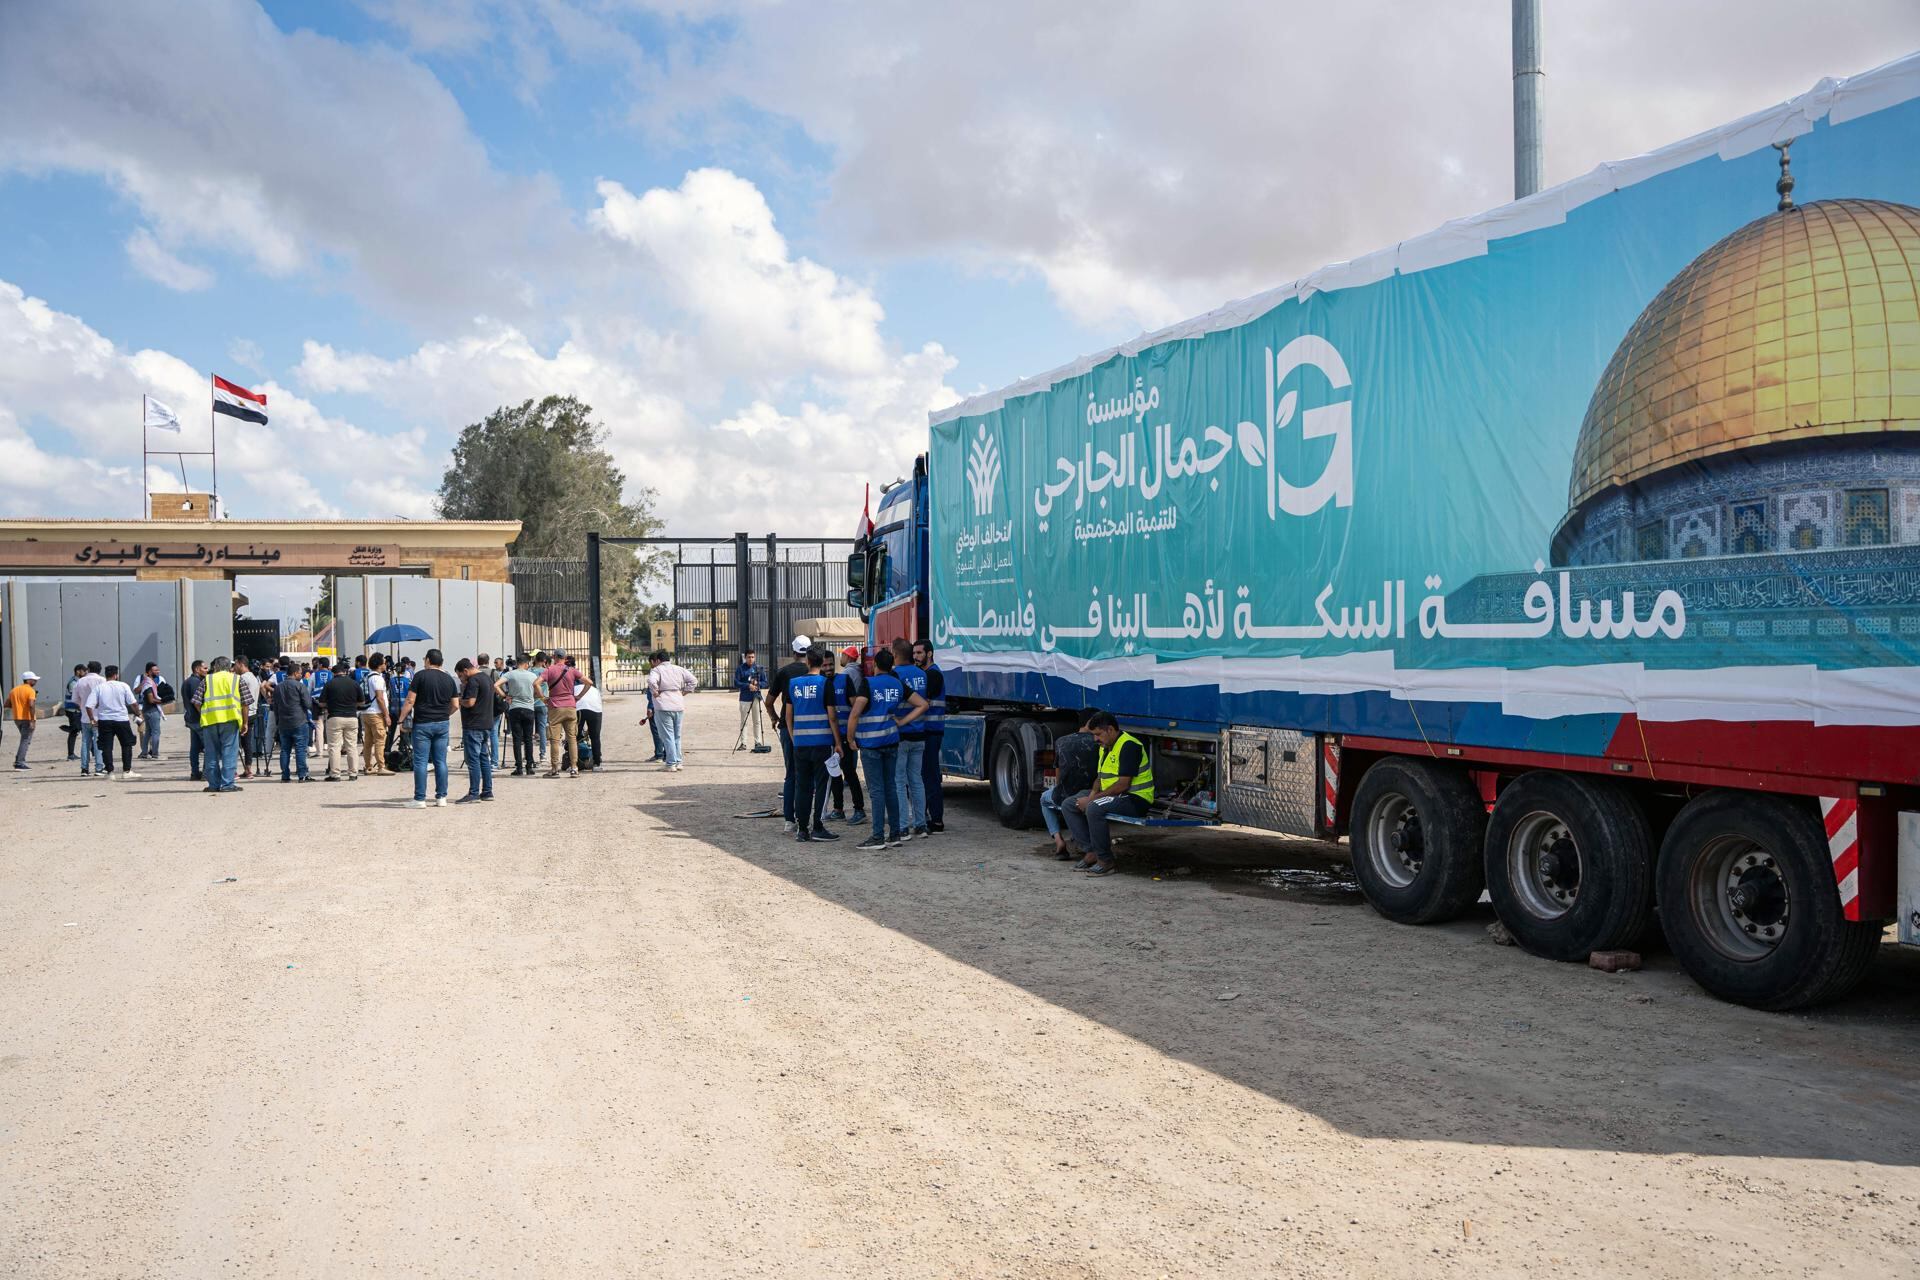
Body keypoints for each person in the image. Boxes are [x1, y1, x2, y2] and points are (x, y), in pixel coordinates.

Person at [1060, 712, 1155, 876]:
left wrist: (1092, 800)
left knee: (1094, 808)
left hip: (1135, 799)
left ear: (1110, 730)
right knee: (1068, 804)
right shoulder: (1106, 746)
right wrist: (1091, 795)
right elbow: (1100, 778)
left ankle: (1106, 861)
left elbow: (1123, 785)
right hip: (1115, 795)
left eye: (1098, 734)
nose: (1095, 739)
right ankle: (1091, 852)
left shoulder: (1129, 746)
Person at [846, 648, 909, 850]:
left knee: (877, 790)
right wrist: (902, 721)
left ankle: (877, 836)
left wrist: (849, 738)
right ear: (891, 665)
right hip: (891, 741)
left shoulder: (869, 684)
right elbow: (921, 704)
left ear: (875, 665)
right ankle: (896, 833)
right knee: (891, 787)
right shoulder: (897, 684)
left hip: (871, 745)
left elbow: (855, 713)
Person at [778, 648, 838, 843]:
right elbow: (832, 716)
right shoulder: (825, 684)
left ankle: (802, 829)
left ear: (808, 662)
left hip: (801, 744)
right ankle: (818, 827)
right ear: (822, 663)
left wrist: (795, 739)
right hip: (822, 742)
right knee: (821, 785)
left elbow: (788, 716)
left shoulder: (793, 684)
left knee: (802, 786)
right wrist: (838, 742)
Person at [397, 648, 458, 808]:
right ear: (441, 662)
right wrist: (445, 714)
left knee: (421, 761)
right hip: (442, 723)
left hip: (423, 723)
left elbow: (410, 700)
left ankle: (419, 798)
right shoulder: (449, 679)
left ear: (428, 660)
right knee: (440, 761)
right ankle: (441, 797)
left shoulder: (420, 676)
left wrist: (401, 719)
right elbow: (455, 705)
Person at [766, 634, 812, 831]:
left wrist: (775, 718)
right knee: (810, 775)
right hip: (813, 728)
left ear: (794, 652)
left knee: (791, 773)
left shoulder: (784, 673)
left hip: (787, 726)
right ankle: (809, 818)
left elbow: (768, 701)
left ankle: (789, 820)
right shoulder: (814, 672)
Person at [1041, 708, 1101, 859]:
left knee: (1044, 799)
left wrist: (1059, 789)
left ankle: (1058, 840)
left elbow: (1058, 775)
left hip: (1066, 793)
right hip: (1092, 792)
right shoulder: (1100, 742)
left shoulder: (1061, 741)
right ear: (1090, 723)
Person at [891, 639, 932, 838]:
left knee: (899, 781)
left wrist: (901, 721)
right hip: (920, 733)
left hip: (901, 734)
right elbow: (925, 703)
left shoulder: (895, 675)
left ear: (896, 655)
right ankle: (921, 824)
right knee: (917, 780)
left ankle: (902, 825)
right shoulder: (922, 675)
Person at [822, 646, 866, 826]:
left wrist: (851, 735)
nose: (829, 668)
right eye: (824, 665)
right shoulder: (819, 683)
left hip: (845, 737)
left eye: (831, 664)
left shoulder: (845, 680)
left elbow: (855, 706)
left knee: (849, 772)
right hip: (827, 737)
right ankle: (838, 809)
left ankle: (859, 809)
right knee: (833, 774)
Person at [193, 656, 246, 792]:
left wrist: (204, 712)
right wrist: (245, 722)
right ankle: (227, 784)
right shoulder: (236, 679)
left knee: (211, 753)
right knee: (229, 752)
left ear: (215, 667)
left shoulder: (207, 679)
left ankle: (213, 784)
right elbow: (246, 702)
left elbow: (196, 701)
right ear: (230, 667)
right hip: (230, 720)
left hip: (210, 721)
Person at [912, 638, 947, 832]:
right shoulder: (926, 674)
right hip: (927, 731)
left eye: (919, 653)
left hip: (931, 732)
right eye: (914, 653)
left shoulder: (933, 675)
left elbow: (922, 701)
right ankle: (926, 815)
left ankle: (936, 820)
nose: (916, 657)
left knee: (930, 776)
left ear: (929, 653)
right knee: (924, 775)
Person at [87, 664, 143, 779]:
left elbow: (89, 706)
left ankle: (110, 772)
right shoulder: (123, 686)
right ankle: (126, 771)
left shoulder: (99, 687)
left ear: (106, 675)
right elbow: (133, 703)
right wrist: (138, 714)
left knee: (106, 746)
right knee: (126, 745)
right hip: (121, 719)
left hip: (105, 720)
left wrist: (92, 719)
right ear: (116, 675)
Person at [645, 650, 696, 772]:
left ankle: (671, 763)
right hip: (678, 704)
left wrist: (655, 692)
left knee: (667, 736)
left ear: (658, 660)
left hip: (663, 705)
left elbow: (651, 681)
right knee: (677, 735)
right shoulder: (679, 669)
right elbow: (694, 680)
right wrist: (685, 692)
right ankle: (678, 762)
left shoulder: (657, 670)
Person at [455, 657, 497, 802]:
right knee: (484, 758)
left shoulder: (473, 680)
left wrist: (459, 700)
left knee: (473, 760)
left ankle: (473, 793)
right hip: (486, 724)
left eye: (460, 675)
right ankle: (487, 791)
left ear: (465, 671)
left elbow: (471, 702)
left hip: (473, 725)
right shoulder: (487, 678)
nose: (461, 679)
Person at [539, 650, 584, 778]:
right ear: (565, 658)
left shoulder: (549, 670)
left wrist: (543, 698)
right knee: (572, 738)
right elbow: (589, 682)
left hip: (555, 707)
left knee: (555, 740)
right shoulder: (572, 670)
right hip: (570, 706)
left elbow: (536, 683)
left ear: (554, 657)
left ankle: (554, 769)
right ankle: (574, 768)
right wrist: (579, 696)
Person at [320, 653, 363, 780]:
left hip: (335, 717)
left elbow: (322, 703)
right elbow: (361, 702)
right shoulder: (354, 684)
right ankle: (353, 773)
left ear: (333, 673)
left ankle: (335, 774)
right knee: (352, 746)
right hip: (351, 717)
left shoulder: (329, 684)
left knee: (334, 747)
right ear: (345, 672)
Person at [271, 663, 315, 781]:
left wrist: (278, 721)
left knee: (285, 749)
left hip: (283, 722)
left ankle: (285, 775)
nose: (301, 675)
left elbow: (275, 706)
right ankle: (302, 774)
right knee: (300, 749)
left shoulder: (278, 687)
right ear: (295, 673)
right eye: (300, 673)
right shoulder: (299, 686)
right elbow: (307, 704)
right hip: (299, 721)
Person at [499, 654, 539, 776]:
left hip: (515, 708)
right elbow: (537, 690)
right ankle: (529, 766)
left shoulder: (510, 674)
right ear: (527, 664)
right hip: (528, 709)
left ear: (517, 663)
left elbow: (496, 685)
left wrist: (505, 696)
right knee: (528, 739)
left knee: (517, 739)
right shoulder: (532, 675)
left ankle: (519, 767)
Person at [359, 654, 391, 776]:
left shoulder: (367, 676)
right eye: (384, 662)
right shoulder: (378, 678)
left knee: (368, 741)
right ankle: (381, 766)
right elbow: (380, 698)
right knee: (380, 740)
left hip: (366, 712)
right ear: (379, 665)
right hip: (376, 713)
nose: (385, 664)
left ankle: (368, 766)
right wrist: (386, 715)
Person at [733, 648, 770, 751]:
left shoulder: (759, 668)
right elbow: (736, 683)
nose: (751, 659)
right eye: (749, 657)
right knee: (744, 721)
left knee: (757, 721)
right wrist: (747, 686)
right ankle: (743, 743)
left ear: (755, 657)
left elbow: (765, 682)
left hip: (756, 698)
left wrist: (758, 685)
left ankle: (757, 742)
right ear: (745, 658)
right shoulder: (740, 669)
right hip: (744, 698)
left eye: (752, 657)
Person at [235, 657, 264, 778]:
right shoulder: (254, 677)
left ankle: (233, 770)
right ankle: (248, 769)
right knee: (247, 742)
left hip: (243, 713)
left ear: (241, 664)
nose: (234, 667)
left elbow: (241, 699)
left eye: (236, 664)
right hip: (253, 712)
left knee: (235, 743)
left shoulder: (242, 679)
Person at [179, 659, 208, 781]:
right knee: (208, 746)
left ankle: (194, 772)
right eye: (204, 668)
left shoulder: (186, 682)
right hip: (198, 719)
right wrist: (203, 715)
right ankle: (206, 773)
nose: (207, 670)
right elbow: (197, 702)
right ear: (197, 669)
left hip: (191, 719)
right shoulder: (196, 682)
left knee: (195, 748)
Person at [136, 661, 166, 760]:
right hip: (152, 710)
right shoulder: (148, 683)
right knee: (156, 732)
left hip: (147, 710)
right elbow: (151, 699)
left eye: (158, 669)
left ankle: (144, 753)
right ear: (149, 672)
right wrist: (162, 701)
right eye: (155, 670)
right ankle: (155, 753)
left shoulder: (148, 681)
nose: (158, 671)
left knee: (148, 732)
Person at [8, 670, 37, 770]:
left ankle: (18, 759)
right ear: (28, 680)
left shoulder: (14, 690)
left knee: (25, 740)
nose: (35, 682)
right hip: (27, 718)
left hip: (17, 718)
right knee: (25, 740)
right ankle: (19, 763)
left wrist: (17, 705)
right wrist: (32, 720)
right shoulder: (30, 691)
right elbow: (31, 705)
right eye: (34, 680)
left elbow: (7, 704)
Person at [576, 677, 603, 771]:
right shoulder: (595, 689)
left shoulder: (574, 688)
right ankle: (597, 763)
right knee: (595, 737)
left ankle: (574, 763)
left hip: (578, 709)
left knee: (574, 737)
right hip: (595, 710)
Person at [60, 663, 85, 762]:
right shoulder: (73, 683)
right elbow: (76, 698)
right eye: (84, 671)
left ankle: (91, 751)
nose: (85, 673)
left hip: (76, 710)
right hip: (73, 710)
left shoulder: (77, 681)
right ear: (78, 671)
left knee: (80, 729)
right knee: (74, 731)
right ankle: (71, 754)